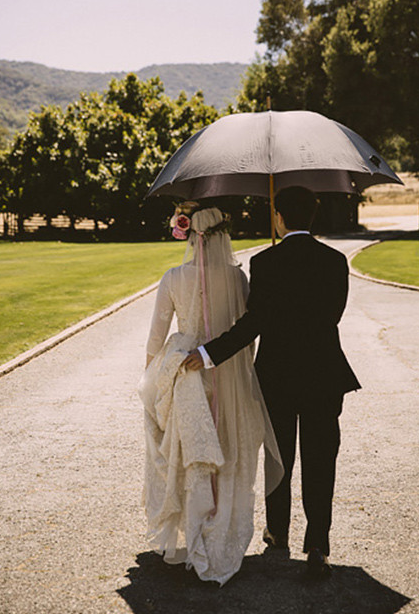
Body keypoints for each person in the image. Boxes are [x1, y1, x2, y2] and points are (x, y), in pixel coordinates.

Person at [183, 186, 360, 578]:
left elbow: (253, 324)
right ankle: (318, 545)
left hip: (278, 376)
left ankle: (277, 532)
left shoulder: (265, 262)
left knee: (279, 457)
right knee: (320, 460)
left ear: (279, 218)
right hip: (324, 374)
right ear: (311, 217)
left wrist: (209, 353)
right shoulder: (335, 261)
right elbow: (334, 315)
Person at [138, 204, 282, 586]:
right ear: (222, 235)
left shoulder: (173, 278)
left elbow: (156, 336)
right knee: (227, 445)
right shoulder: (237, 278)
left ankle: (198, 524)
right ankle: (221, 523)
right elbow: (249, 324)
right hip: (227, 367)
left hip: (186, 369)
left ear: (188, 233)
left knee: (190, 453)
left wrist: (153, 378)